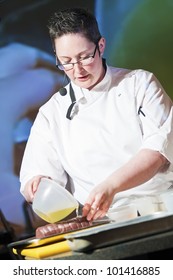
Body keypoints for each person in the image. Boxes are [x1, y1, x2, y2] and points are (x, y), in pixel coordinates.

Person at [20, 7, 173, 222]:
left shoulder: (140, 84)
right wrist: (35, 184)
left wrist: (111, 186)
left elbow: (159, 151)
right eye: (66, 61)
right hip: (101, 220)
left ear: (101, 46)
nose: (77, 70)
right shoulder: (51, 114)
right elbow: (35, 175)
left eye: (84, 57)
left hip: (159, 208)